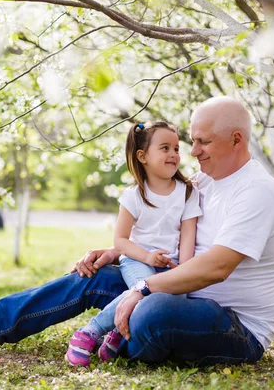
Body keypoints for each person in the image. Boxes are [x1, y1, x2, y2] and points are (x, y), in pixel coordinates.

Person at [0, 96, 274, 366]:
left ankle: (112, 337)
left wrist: (143, 289)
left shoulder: (257, 191)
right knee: (95, 277)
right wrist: (118, 251)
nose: (193, 151)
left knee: (153, 312)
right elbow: (166, 234)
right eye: (191, 141)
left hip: (233, 325)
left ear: (237, 140)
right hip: (179, 292)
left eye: (203, 141)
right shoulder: (204, 181)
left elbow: (216, 267)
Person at [66, 121, 202, 366]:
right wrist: (148, 257)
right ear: (143, 156)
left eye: (176, 149)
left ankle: (118, 334)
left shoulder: (187, 192)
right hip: (137, 260)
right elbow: (120, 241)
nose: (173, 154)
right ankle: (90, 332)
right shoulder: (134, 196)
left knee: (177, 300)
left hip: (171, 266)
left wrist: (184, 271)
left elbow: (188, 235)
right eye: (164, 148)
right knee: (142, 293)